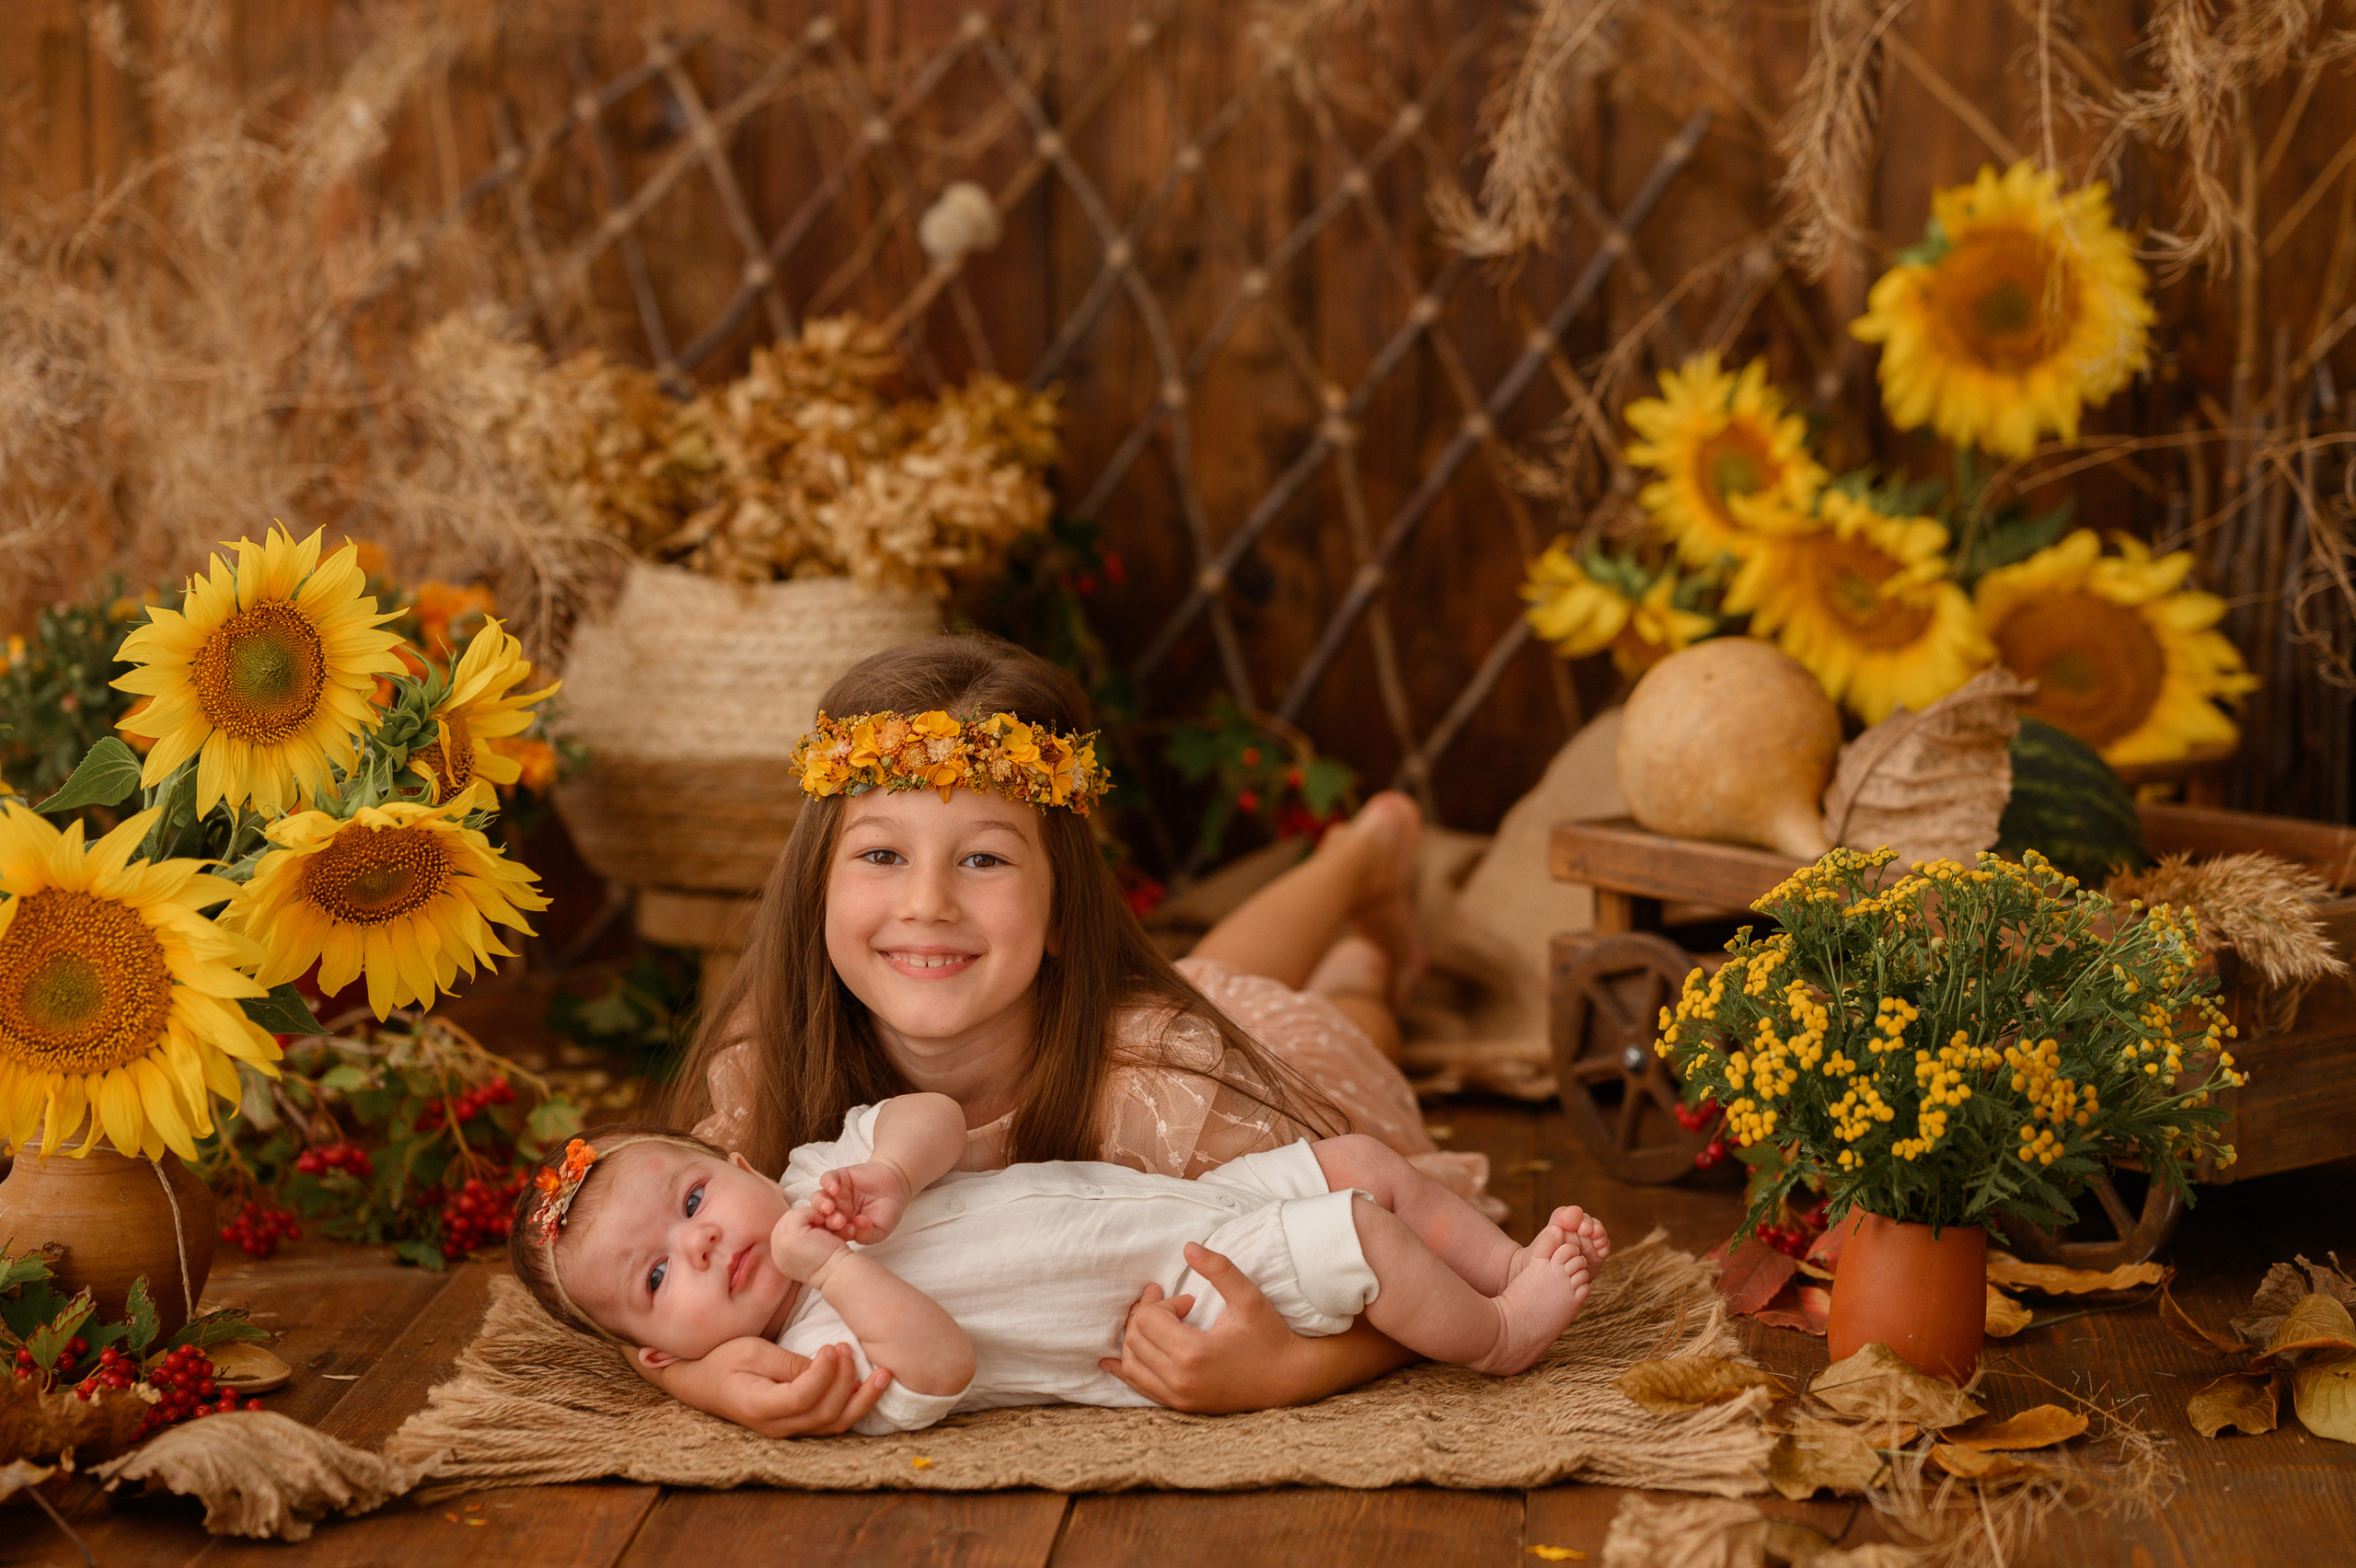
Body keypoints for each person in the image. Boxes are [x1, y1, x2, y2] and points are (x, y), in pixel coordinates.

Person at [660, 634, 1500, 1430]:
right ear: (816, 891)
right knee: (1210, 975)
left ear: (1064, 908)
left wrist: (1290, 1369)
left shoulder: (1174, 1094)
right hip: (1153, 1016)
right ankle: (1361, 869)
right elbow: (627, 1264)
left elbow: (1410, 1257)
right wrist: (696, 1374)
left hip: (1257, 1063)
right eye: (882, 855)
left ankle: (1366, 880)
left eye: (983, 859)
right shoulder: (769, 1060)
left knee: (1348, 1014)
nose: (927, 904)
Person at [509, 1100, 1609, 1436]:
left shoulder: (818, 1178)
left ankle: (1510, 1272)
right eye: (659, 1277)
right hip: (1188, 1285)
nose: (699, 1242)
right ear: (661, 1353)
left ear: (741, 1165)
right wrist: (833, 1270)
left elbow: (932, 1118)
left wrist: (890, 1172)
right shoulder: (822, 1350)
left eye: (694, 1201)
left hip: (1189, 1206)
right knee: (1364, 1230)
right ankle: (1502, 1340)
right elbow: (935, 1363)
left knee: (1364, 1164)